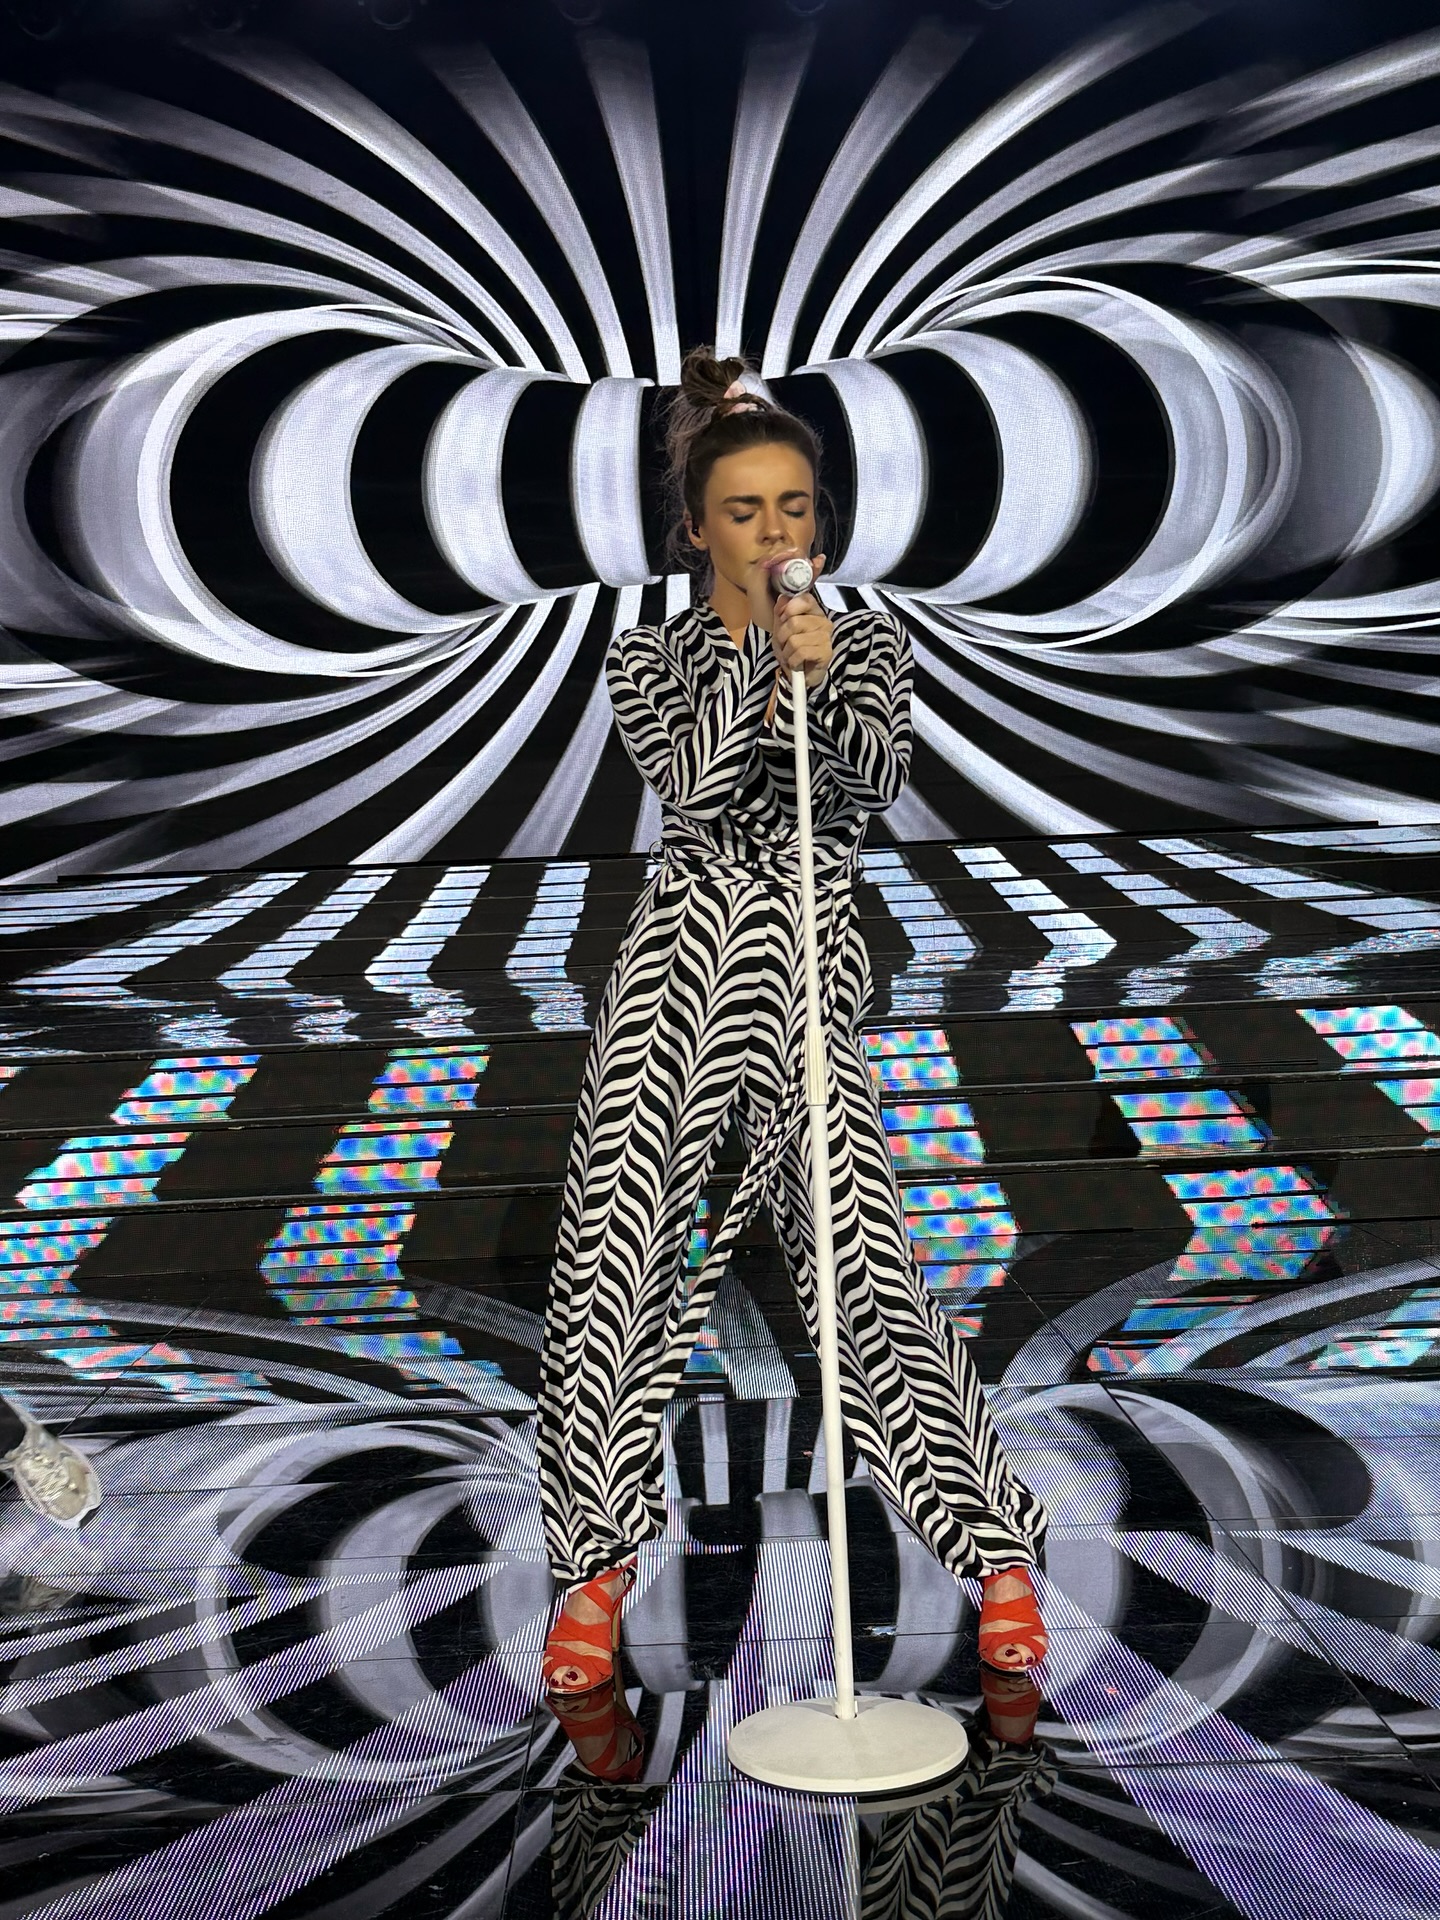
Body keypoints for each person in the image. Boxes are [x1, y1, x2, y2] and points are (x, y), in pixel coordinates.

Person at [537, 346, 1048, 1700]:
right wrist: (766, 673)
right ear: (697, 527)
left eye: (795, 508)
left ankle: (996, 1558)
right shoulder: (647, 653)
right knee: (617, 1265)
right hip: (680, 968)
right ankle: (593, 1570)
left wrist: (818, 673)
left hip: (811, 959)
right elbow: (695, 788)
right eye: (746, 511)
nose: (775, 533)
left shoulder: (867, 641)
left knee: (861, 1264)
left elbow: (871, 781)